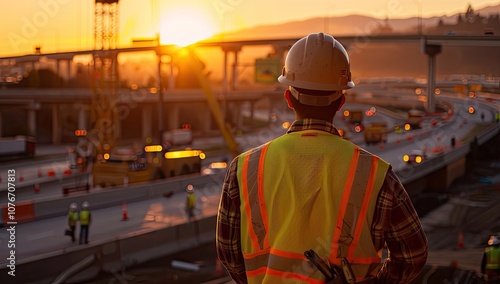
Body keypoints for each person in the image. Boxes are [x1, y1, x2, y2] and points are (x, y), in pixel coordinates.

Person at [216, 32, 428, 283]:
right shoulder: (375, 174)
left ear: (288, 99)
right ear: (340, 101)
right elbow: (413, 254)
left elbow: (228, 253)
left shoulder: (245, 168)